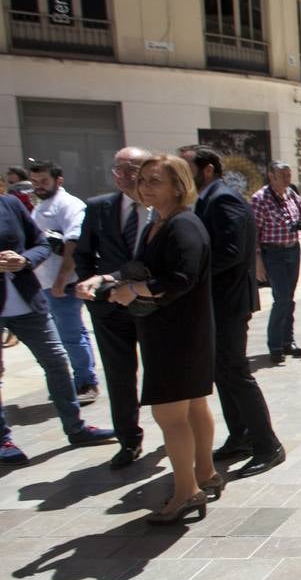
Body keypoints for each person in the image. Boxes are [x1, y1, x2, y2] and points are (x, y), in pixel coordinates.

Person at [84, 154, 218, 523]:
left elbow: (180, 278)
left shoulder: (182, 225)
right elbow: (146, 270)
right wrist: (109, 280)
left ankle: (186, 492)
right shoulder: (158, 223)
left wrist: (135, 291)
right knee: (191, 407)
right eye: (142, 180)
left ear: (178, 185)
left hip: (179, 333)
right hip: (171, 330)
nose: (144, 187)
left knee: (171, 416)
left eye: (153, 181)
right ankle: (204, 474)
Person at [180, 145, 284, 477]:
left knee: (236, 372)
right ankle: (241, 436)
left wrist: (187, 269)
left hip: (228, 302)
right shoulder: (206, 199)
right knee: (222, 372)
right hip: (214, 301)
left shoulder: (224, 199)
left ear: (207, 169)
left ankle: (267, 445)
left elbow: (231, 252)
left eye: (186, 167)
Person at [0, 194, 116, 465]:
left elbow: (40, 244)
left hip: (28, 304)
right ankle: (3, 439)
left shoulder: (10, 205)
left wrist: (25, 260)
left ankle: (75, 428)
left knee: (57, 363)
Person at [73, 146, 152, 469]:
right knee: (120, 377)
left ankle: (178, 434)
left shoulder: (163, 209)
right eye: (118, 170)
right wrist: (94, 287)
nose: (123, 176)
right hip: (109, 310)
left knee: (164, 373)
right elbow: (83, 254)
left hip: (153, 305)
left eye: (131, 169)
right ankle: (128, 439)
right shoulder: (99, 207)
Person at [28, 160, 100, 403]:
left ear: (58, 180)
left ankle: (85, 382)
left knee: (69, 335)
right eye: (35, 182)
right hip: (45, 282)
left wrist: (61, 279)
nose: (38, 186)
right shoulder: (40, 205)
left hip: (63, 282)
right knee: (70, 333)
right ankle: (82, 378)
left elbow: (74, 243)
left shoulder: (67, 205)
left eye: (44, 181)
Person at [250, 160, 301, 365]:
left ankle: (287, 341)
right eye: (283, 175)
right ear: (271, 175)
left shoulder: (290, 194)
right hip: (272, 253)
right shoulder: (260, 198)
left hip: (293, 249)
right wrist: (257, 261)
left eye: (289, 174)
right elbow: (254, 231)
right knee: (281, 298)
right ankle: (275, 345)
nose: (287, 178)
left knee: (289, 298)